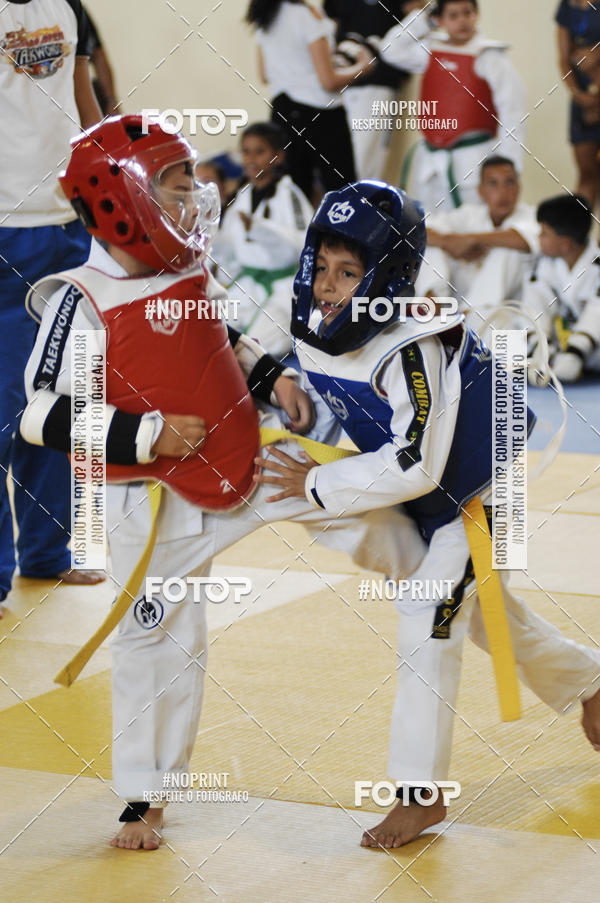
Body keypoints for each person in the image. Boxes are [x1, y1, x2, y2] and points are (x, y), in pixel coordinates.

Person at [20, 116, 429, 850]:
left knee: (402, 541)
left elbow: (220, 343)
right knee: (159, 643)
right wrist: (148, 433)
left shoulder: (185, 270)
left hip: (248, 456)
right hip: (148, 504)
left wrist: (275, 380)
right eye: (178, 191)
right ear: (121, 200)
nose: (194, 205)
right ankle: (144, 797)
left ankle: (498, 629)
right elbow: (42, 415)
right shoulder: (80, 299)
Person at [256, 180, 600, 848]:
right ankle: (589, 678)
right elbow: (341, 398)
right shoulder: (312, 319)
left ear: (388, 273)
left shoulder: (417, 340)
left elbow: (417, 460)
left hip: (483, 487)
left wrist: (319, 481)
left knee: (430, 610)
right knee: (475, 614)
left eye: (349, 272)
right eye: (321, 267)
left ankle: (420, 795)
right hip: (409, 492)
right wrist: (290, 393)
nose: (329, 285)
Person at [0, 0, 103, 618]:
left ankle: (49, 550)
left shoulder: (70, 6)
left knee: (60, 394)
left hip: (69, 227)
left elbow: (82, 95)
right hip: (2, 227)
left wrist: (113, 176)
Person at [378, 0, 526, 211]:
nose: (462, 21)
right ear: (440, 20)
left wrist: (509, 169)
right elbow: (390, 50)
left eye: (468, 13)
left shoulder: (489, 57)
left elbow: (513, 114)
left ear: (476, 15)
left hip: (473, 162)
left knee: (467, 232)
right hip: (430, 162)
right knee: (427, 229)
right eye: (453, 15)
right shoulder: (431, 51)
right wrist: (424, 18)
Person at [245, 0, 374, 203]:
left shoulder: (264, 16)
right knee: (343, 198)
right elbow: (328, 81)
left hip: (282, 111)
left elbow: (264, 75)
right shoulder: (307, 17)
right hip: (322, 114)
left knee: (293, 197)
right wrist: (362, 67)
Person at [211, 122, 314, 358]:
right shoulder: (242, 197)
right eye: (246, 151)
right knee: (211, 328)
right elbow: (230, 250)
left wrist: (259, 228)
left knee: (259, 348)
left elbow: (302, 246)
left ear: (277, 157)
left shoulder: (290, 195)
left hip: (283, 289)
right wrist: (209, 238)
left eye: (260, 151)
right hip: (247, 284)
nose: (251, 158)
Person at [416, 156, 539, 332]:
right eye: (493, 184)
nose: (502, 192)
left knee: (508, 250)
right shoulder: (470, 214)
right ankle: (430, 305)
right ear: (481, 191)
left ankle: (467, 319)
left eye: (509, 183)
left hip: (500, 308)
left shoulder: (530, 215)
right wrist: (448, 242)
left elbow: (522, 240)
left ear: (519, 188)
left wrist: (471, 240)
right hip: (454, 300)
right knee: (433, 244)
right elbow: (420, 229)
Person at [323, 0, 411, 180]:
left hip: (378, 81)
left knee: (366, 159)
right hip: (340, 82)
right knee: (338, 155)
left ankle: (363, 204)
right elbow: (329, 23)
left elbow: (415, 15)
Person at [524, 194, 600, 385]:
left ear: (565, 243)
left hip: (591, 346)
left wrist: (577, 352)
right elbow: (535, 304)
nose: (538, 238)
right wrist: (543, 349)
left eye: (544, 233)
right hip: (558, 347)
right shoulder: (544, 264)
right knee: (508, 333)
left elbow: (596, 312)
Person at [555, 0, 600, 206]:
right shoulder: (567, 6)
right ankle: (577, 236)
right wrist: (579, 96)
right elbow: (564, 58)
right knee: (587, 175)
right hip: (582, 100)